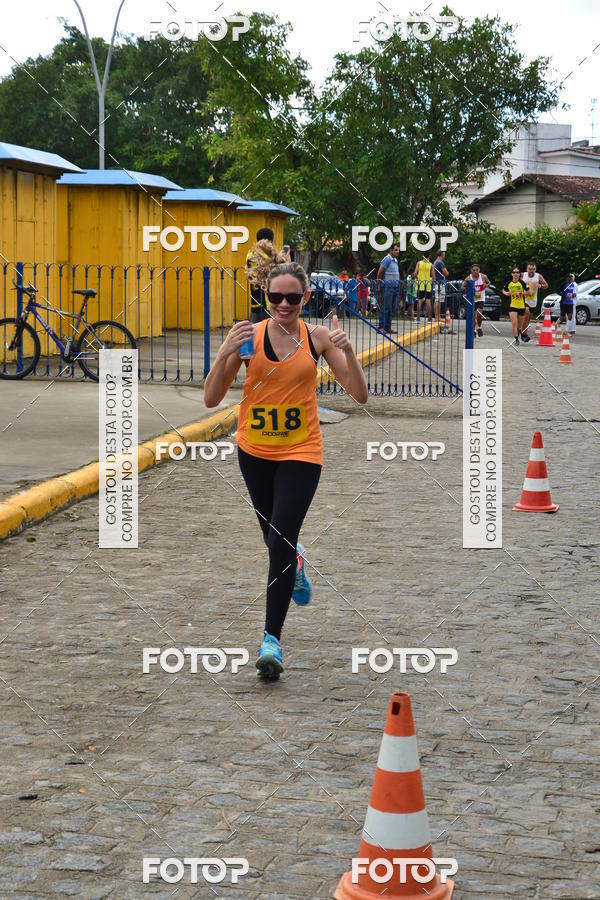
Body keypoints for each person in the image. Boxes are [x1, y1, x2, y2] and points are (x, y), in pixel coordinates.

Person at [204, 261, 368, 679]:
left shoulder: (317, 338)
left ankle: (270, 641)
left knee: (279, 538)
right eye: (275, 297)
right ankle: (294, 563)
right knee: (274, 540)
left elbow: (360, 395)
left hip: (301, 452)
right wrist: (224, 351)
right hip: (254, 453)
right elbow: (211, 398)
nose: (282, 304)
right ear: (265, 297)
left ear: (306, 299)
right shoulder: (248, 337)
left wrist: (347, 350)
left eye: (292, 298)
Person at [245, 228, 288, 323]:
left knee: (256, 332)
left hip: (255, 301)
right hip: (269, 302)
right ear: (270, 241)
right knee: (270, 332)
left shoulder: (249, 255)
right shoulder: (271, 256)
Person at [520, 262, 548, 342]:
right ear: (526, 269)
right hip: (523, 298)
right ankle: (523, 334)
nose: (531, 271)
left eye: (533, 269)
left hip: (533, 300)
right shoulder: (522, 275)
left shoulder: (538, 276)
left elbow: (546, 285)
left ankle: (523, 334)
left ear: (535, 269)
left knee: (528, 319)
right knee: (526, 313)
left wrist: (541, 286)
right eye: (529, 269)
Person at [377, 245, 400, 334]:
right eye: (396, 250)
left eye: (398, 250)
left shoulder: (395, 261)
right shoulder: (387, 259)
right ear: (391, 250)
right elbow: (380, 272)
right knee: (386, 307)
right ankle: (381, 327)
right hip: (388, 286)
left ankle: (387, 327)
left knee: (391, 308)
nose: (397, 251)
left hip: (395, 286)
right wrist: (379, 283)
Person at [461, 264, 490, 337]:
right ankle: (473, 330)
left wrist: (486, 285)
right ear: (471, 271)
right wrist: (468, 289)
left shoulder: (483, 277)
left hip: (480, 298)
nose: (475, 271)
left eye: (477, 270)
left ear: (479, 270)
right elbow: (462, 287)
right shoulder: (468, 278)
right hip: (472, 298)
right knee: (473, 316)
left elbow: (489, 283)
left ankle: (479, 327)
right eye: (474, 270)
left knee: (479, 314)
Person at [502, 267, 528, 345]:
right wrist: (506, 293)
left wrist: (520, 293)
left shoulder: (522, 283)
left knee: (519, 325)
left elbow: (529, 292)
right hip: (512, 305)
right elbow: (503, 290)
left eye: (517, 272)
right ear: (512, 274)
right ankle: (516, 339)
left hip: (521, 306)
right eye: (514, 272)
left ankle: (519, 332)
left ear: (519, 274)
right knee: (514, 322)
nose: (516, 274)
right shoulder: (509, 283)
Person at [414, 253, 433, 320]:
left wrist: (418, 278)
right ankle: (429, 318)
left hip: (420, 284)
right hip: (427, 284)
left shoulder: (419, 263)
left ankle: (418, 317)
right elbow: (433, 276)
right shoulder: (431, 265)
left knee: (419, 300)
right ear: (429, 256)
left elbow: (415, 273)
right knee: (428, 301)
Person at [432, 250, 449, 325]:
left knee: (438, 299)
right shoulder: (440, 262)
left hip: (437, 283)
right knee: (438, 300)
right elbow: (446, 273)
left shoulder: (435, 262)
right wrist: (447, 273)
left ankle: (437, 317)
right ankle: (437, 317)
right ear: (442, 254)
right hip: (440, 283)